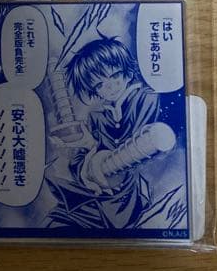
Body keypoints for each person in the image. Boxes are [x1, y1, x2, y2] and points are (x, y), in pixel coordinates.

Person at [44, 37, 163, 230]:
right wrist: (81, 149)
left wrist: (93, 145)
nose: (109, 86)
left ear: (127, 72)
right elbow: (81, 159)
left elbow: (137, 147)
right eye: (99, 85)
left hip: (128, 188)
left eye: (115, 76)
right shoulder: (97, 117)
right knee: (59, 210)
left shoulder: (146, 98)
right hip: (100, 185)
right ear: (94, 91)